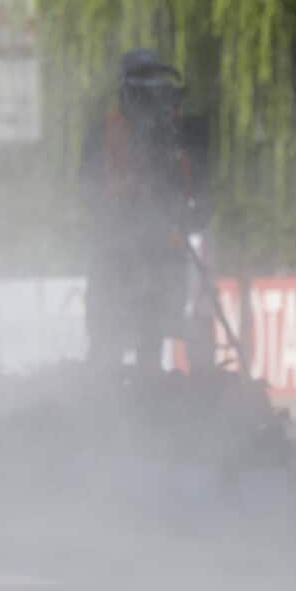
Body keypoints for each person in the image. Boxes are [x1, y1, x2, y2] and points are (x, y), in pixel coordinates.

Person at [79, 49, 209, 381]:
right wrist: (125, 200)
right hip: (115, 252)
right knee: (107, 344)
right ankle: (103, 399)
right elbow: (88, 190)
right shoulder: (104, 132)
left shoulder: (173, 135)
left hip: (161, 252)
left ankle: (147, 400)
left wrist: (183, 212)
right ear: (127, 92)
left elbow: (195, 196)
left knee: (151, 340)